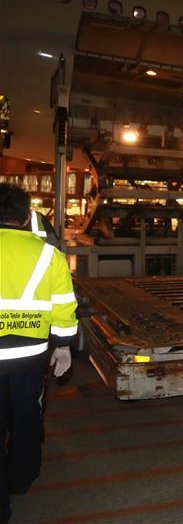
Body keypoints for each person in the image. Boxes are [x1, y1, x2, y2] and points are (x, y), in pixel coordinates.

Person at [0, 183, 77, 524]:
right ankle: (20, 480)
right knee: (26, 421)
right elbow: (63, 306)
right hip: (30, 361)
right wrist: (63, 346)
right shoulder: (50, 255)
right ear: (27, 217)